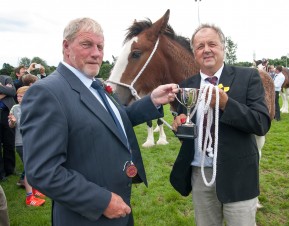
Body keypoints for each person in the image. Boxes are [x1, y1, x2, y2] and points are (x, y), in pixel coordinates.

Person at [20, 17, 178, 225]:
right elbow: (42, 171)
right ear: (66, 47)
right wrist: (102, 202)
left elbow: (114, 121)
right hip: (88, 216)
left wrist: (152, 101)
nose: (96, 53)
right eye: (87, 44)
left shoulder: (96, 85)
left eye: (100, 46)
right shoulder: (47, 92)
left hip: (120, 210)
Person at [170, 24, 271, 226]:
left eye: (212, 44)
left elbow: (261, 123)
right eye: (200, 46)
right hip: (200, 174)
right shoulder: (186, 85)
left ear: (223, 48)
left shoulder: (248, 77)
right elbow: (186, 131)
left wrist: (226, 104)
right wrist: (180, 126)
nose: (206, 49)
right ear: (194, 53)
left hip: (239, 175)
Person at [8, 86, 46, 206]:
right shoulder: (15, 108)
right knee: (29, 169)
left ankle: (35, 190)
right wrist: (12, 122)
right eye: (18, 96)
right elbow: (11, 125)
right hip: (21, 143)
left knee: (33, 167)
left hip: (34, 141)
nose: (18, 98)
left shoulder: (34, 107)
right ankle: (29, 198)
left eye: (21, 96)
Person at [0, 75, 16, 181]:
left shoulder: (6, 78)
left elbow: (12, 92)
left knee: (9, 143)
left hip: (7, 114)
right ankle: (1, 173)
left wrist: (6, 91)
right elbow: (8, 92)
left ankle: (10, 169)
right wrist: (4, 89)